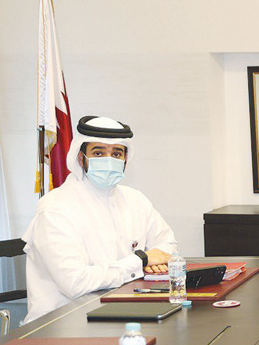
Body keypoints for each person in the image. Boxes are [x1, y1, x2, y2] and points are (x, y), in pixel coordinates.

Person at [21, 116, 177, 324]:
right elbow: (76, 283)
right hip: (61, 327)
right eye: (98, 153)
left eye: (116, 153)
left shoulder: (135, 199)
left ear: (125, 159)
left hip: (123, 313)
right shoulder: (55, 209)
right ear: (80, 157)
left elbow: (168, 246)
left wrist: (150, 261)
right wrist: (141, 261)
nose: (109, 159)